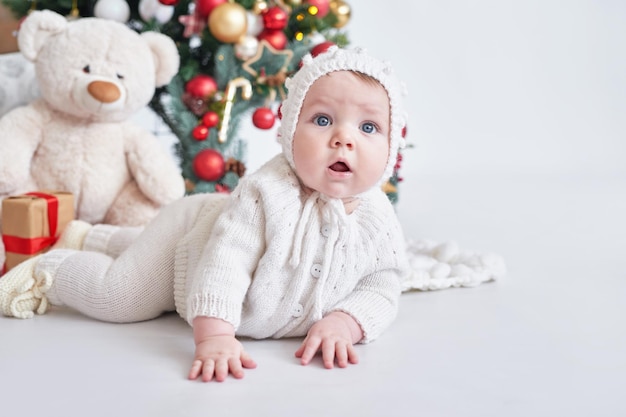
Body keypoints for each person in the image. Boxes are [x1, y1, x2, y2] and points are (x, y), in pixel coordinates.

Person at [0, 46, 409, 382]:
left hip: (197, 234)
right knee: (123, 296)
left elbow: (383, 283)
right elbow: (225, 263)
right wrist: (214, 336)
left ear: (390, 149)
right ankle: (49, 269)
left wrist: (346, 321)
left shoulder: (377, 217)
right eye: (323, 120)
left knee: (135, 247)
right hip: (191, 238)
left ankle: (87, 235)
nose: (344, 139)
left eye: (369, 128)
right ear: (289, 131)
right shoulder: (266, 191)